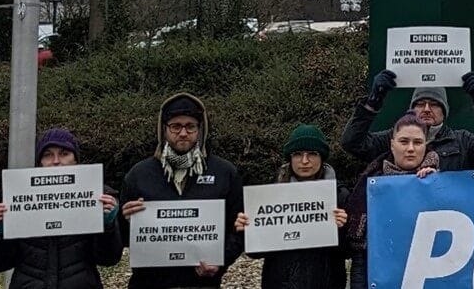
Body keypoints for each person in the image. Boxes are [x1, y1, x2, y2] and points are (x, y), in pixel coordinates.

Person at [119, 92, 244, 288]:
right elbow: (120, 240)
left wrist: (220, 262)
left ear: (200, 129)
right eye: (176, 126)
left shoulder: (224, 173)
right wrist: (123, 218)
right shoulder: (139, 174)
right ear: (164, 129)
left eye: (190, 126)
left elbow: (238, 229)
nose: (183, 133)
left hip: (202, 284)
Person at [0, 128, 123, 289]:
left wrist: (107, 225)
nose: (56, 161)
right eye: (48, 154)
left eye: (64, 153)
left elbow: (109, 259)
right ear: (40, 162)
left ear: (75, 160)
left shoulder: (97, 199)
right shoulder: (17, 199)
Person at [235, 124, 350, 288]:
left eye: (312, 154)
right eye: (297, 154)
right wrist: (247, 230)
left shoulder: (339, 195)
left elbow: (349, 251)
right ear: (289, 158)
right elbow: (255, 253)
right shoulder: (269, 196)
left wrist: (342, 228)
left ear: (322, 157)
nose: (304, 161)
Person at [343, 113, 438, 289]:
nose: (410, 148)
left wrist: (437, 186)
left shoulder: (440, 179)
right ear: (392, 145)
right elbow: (358, 252)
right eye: (404, 141)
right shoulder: (369, 183)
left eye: (417, 142)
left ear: (426, 146)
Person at [341, 70, 474, 171]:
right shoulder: (395, 137)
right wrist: (372, 103)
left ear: (445, 111)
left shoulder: (462, 142)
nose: (426, 109)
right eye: (420, 104)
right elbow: (352, 143)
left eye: (434, 104)